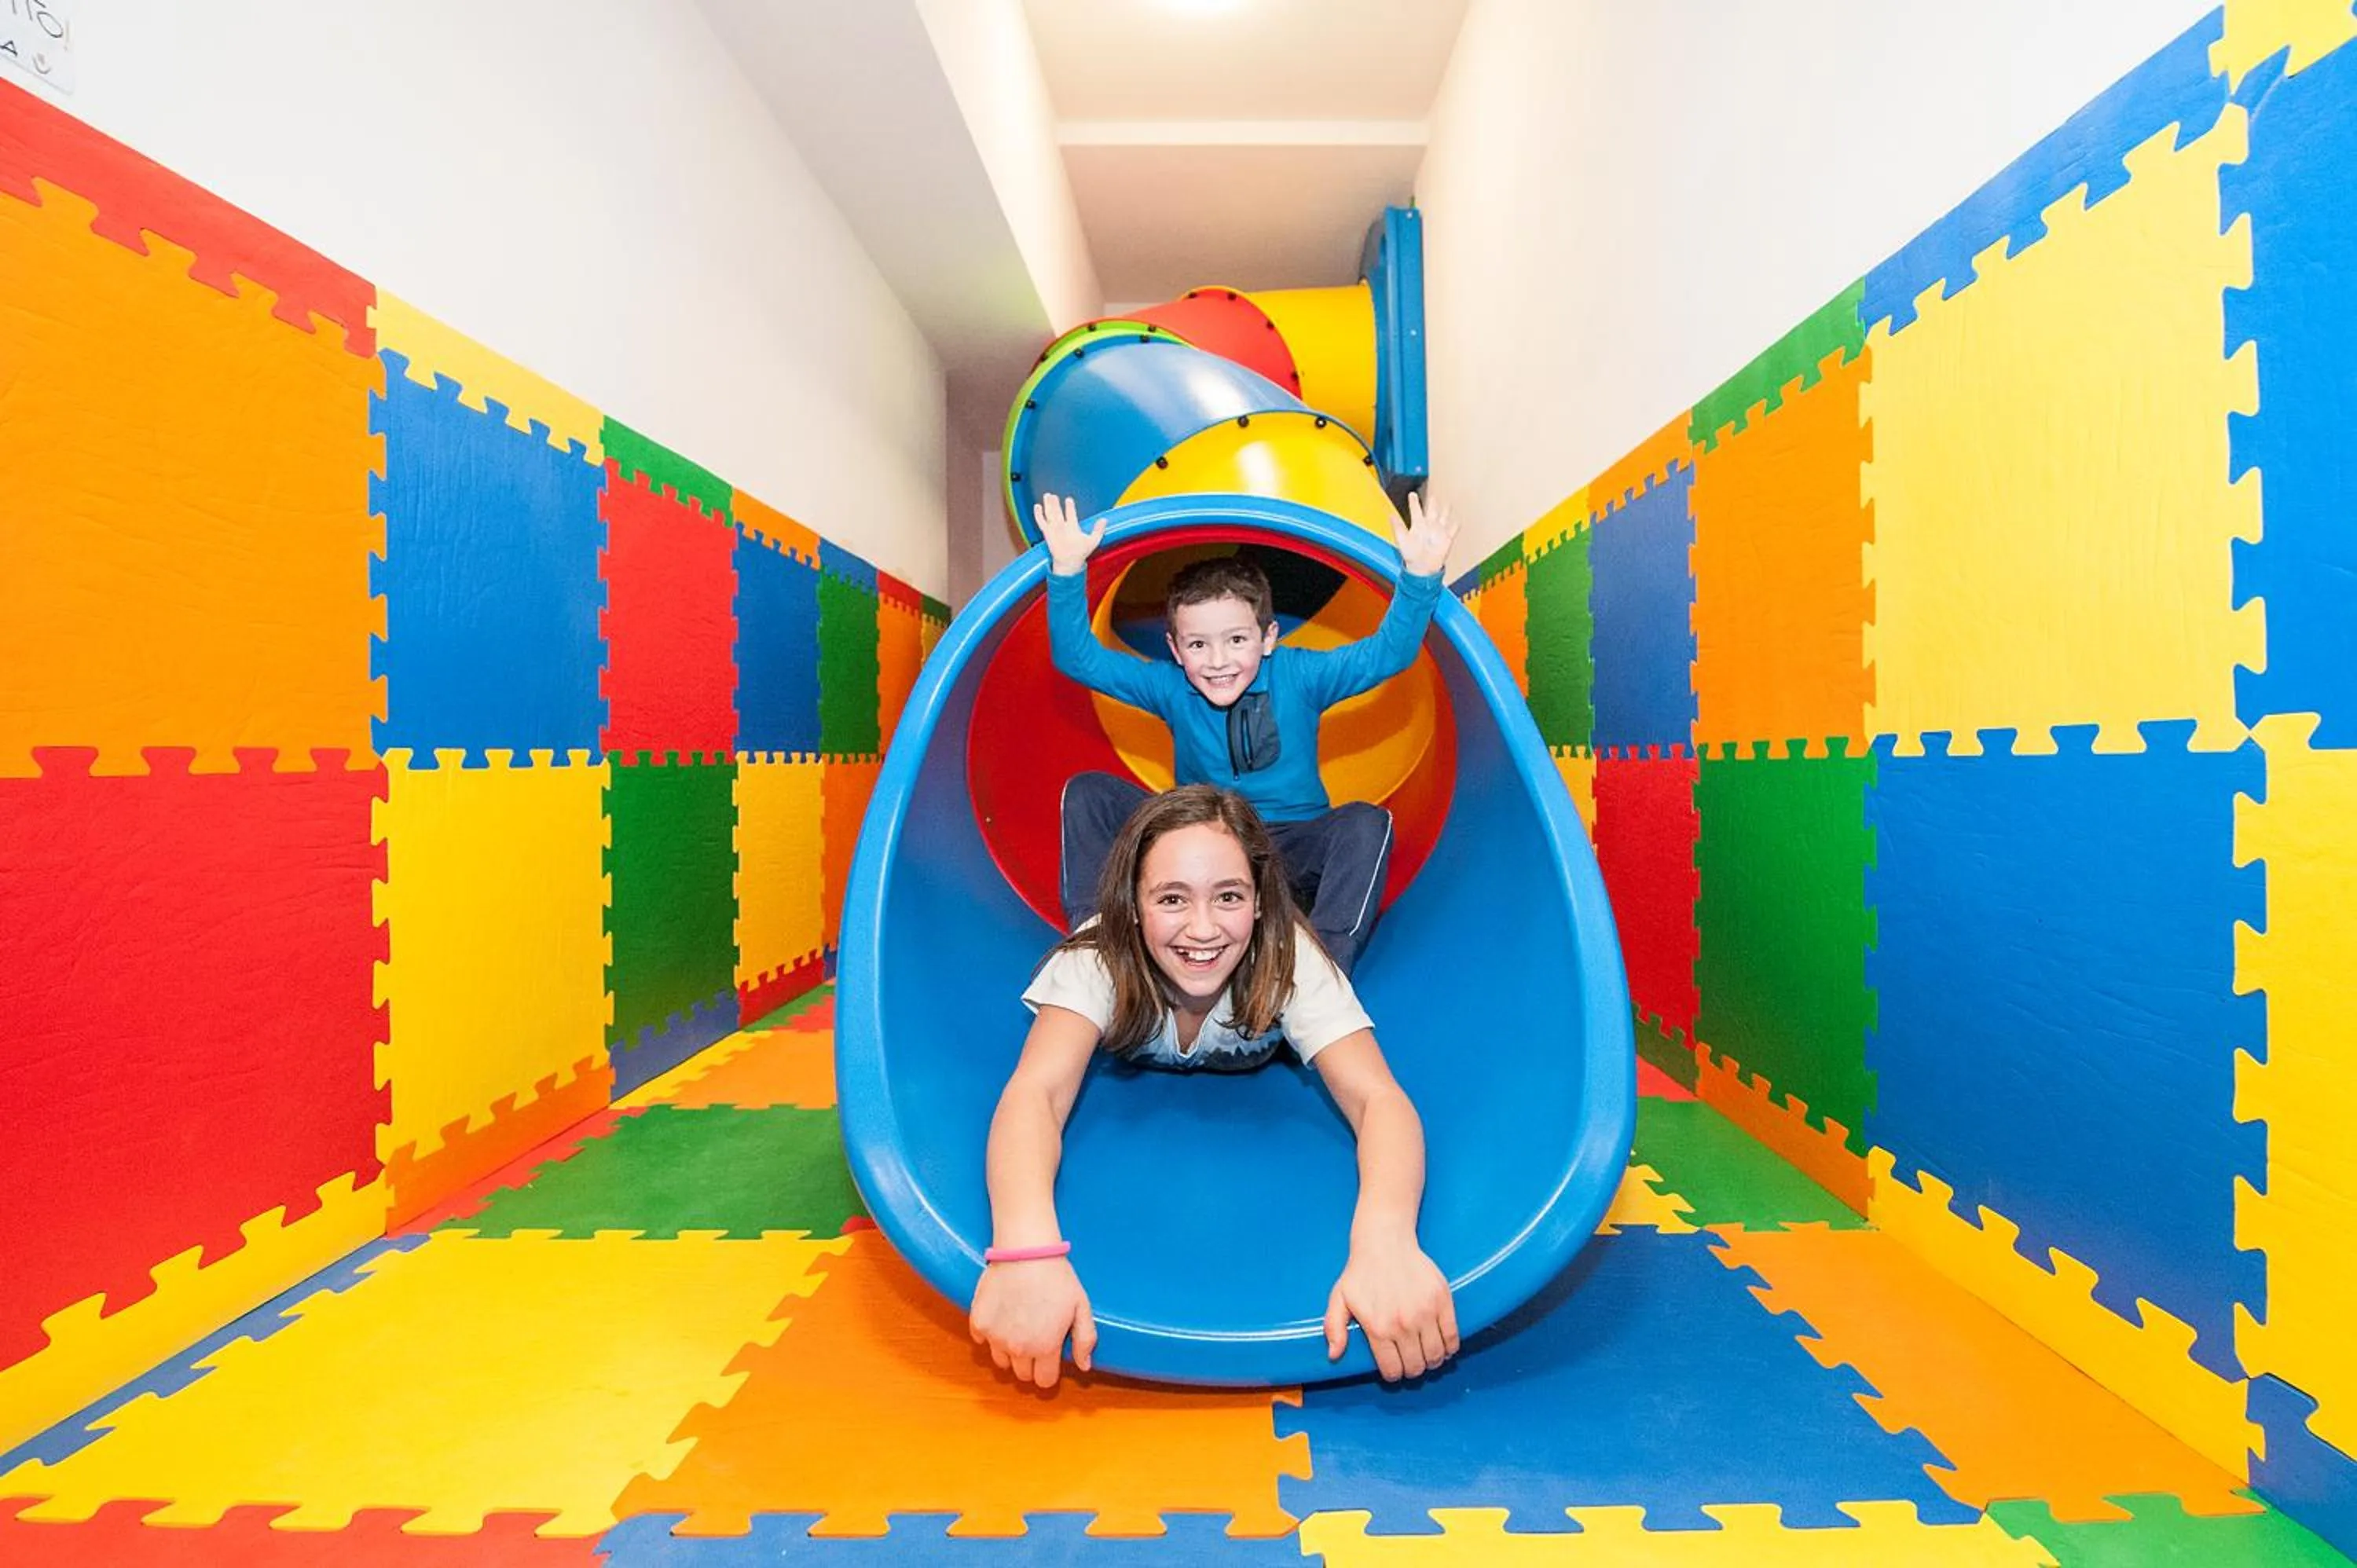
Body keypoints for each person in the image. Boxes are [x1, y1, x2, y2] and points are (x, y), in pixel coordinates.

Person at [967, 784, 1458, 1390]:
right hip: (1133, 952)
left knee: (1332, 940)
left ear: (1257, 902)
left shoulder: (1290, 960)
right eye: (1172, 898)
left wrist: (1386, 1240)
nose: (1202, 929)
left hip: (1270, 985)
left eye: (1228, 896)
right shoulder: (1099, 956)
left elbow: (1378, 1099)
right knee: (1090, 801)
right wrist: (1026, 1250)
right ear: (1134, 905)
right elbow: (1036, 1092)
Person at [1036, 490, 1457, 976]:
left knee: (1366, 823)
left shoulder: (1300, 675)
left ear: (1269, 637)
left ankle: (1320, 971)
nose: (1218, 661)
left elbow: (1387, 654)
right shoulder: (1170, 687)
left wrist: (1420, 579)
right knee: (1090, 792)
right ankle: (1095, 946)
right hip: (1196, 840)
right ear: (1174, 648)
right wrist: (1067, 572)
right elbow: (1078, 658)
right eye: (1198, 644)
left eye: (1237, 640)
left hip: (1289, 850)